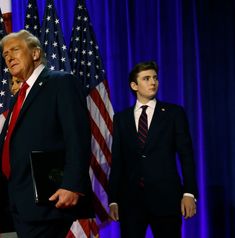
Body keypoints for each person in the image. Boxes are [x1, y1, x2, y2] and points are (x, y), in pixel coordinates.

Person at [0, 29, 93, 238]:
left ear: (35, 53)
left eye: (15, 50)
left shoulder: (60, 82)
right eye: (5, 54)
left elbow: (77, 136)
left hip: (49, 199)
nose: (9, 57)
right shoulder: (18, 96)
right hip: (20, 200)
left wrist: (72, 184)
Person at [108, 61, 198, 238]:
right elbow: (117, 161)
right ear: (134, 85)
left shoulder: (174, 113)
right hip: (131, 203)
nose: (153, 82)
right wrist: (113, 200)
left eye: (155, 78)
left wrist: (189, 192)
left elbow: (186, 155)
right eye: (146, 78)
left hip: (166, 200)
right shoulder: (121, 119)